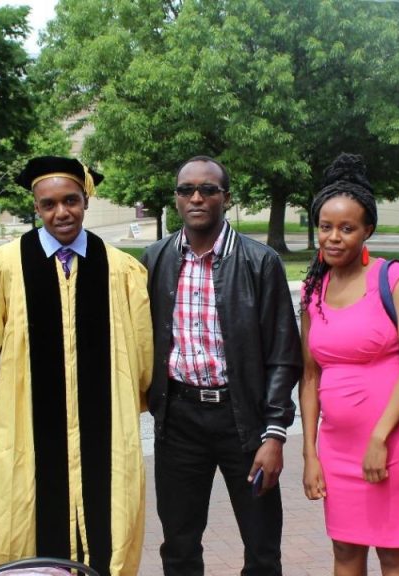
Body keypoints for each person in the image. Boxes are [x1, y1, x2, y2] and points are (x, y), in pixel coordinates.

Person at [0, 156, 152, 576]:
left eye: (70, 200)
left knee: (109, 525)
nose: (61, 212)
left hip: (103, 426)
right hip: (28, 426)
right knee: (25, 515)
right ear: (36, 208)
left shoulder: (120, 269)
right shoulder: (2, 267)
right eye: (48, 204)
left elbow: (141, 351)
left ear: (85, 199)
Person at [140, 155, 302, 576]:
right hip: (178, 421)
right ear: (176, 199)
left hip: (243, 422)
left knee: (262, 546)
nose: (196, 197)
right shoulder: (154, 259)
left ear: (226, 198)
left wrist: (274, 434)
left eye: (208, 190)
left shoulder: (260, 261)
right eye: (186, 190)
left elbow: (284, 356)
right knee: (178, 545)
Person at [297, 154, 399, 576]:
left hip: (390, 443)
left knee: (392, 552)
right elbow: (310, 374)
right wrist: (310, 454)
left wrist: (379, 436)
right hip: (336, 449)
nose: (334, 238)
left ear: (367, 230)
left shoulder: (392, 278)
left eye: (347, 228)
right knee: (345, 551)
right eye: (326, 227)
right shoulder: (313, 289)